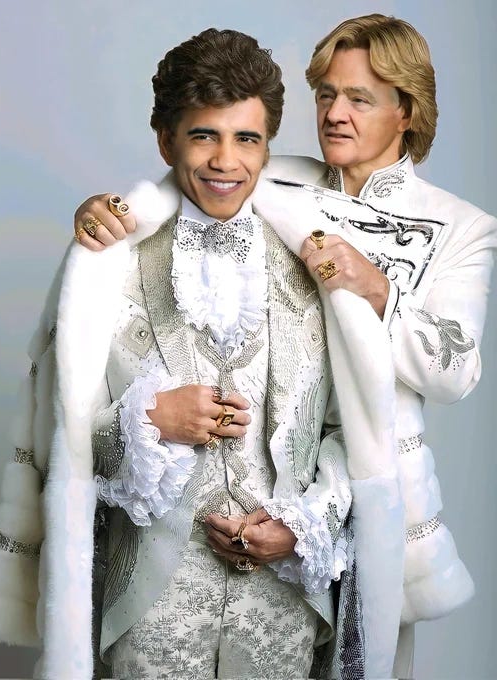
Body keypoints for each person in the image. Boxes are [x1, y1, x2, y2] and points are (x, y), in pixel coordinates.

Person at [0, 27, 404, 680]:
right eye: (204, 135)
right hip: (147, 616)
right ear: (166, 140)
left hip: (283, 612)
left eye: (247, 138)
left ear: (268, 144)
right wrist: (150, 420)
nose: (226, 160)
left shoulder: (316, 261)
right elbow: (62, 440)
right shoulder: (105, 262)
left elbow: (356, 430)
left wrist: (302, 526)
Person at [73, 12, 497, 679]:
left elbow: (457, 370)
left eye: (359, 98)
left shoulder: (460, 227)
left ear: (407, 111)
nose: (334, 113)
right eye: (326, 94)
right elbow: (189, 176)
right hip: (213, 524)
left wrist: (378, 290)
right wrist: (102, 213)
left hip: (371, 494)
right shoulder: (275, 177)